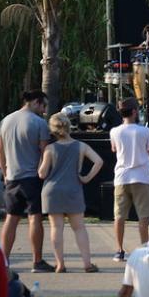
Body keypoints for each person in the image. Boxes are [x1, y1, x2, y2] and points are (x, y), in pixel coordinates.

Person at [38, 113, 103, 273]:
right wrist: (86, 178)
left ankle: (60, 264)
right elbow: (99, 161)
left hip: (52, 191)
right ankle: (87, 263)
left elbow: (42, 173)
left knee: (56, 228)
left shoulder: (50, 149)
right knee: (79, 228)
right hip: (73, 189)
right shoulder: (80, 146)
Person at [0, 90, 52, 272]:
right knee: (34, 217)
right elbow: (45, 152)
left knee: (11, 219)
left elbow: (0, 150)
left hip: (12, 177)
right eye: (43, 105)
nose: (44, 110)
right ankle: (37, 261)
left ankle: (4, 262)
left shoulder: (5, 121)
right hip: (31, 177)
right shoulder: (39, 123)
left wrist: (5, 173)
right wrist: (42, 172)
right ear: (36, 102)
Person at [110, 98, 149, 262]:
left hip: (122, 176)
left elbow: (114, 149)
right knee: (144, 216)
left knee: (119, 216)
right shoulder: (145, 131)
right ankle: (144, 248)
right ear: (134, 112)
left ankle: (119, 249)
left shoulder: (114, 131)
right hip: (142, 176)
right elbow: (148, 149)